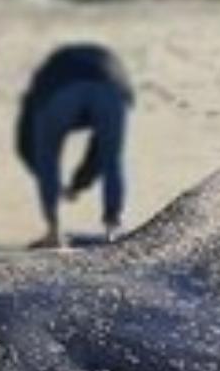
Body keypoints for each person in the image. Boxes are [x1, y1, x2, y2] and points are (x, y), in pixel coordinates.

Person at [15, 44, 135, 250]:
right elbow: (99, 151)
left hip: (59, 90)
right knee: (112, 160)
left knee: (48, 157)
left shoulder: (37, 91)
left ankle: (53, 232)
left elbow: (26, 143)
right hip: (112, 87)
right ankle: (112, 230)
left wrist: (51, 179)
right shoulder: (110, 65)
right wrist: (80, 182)